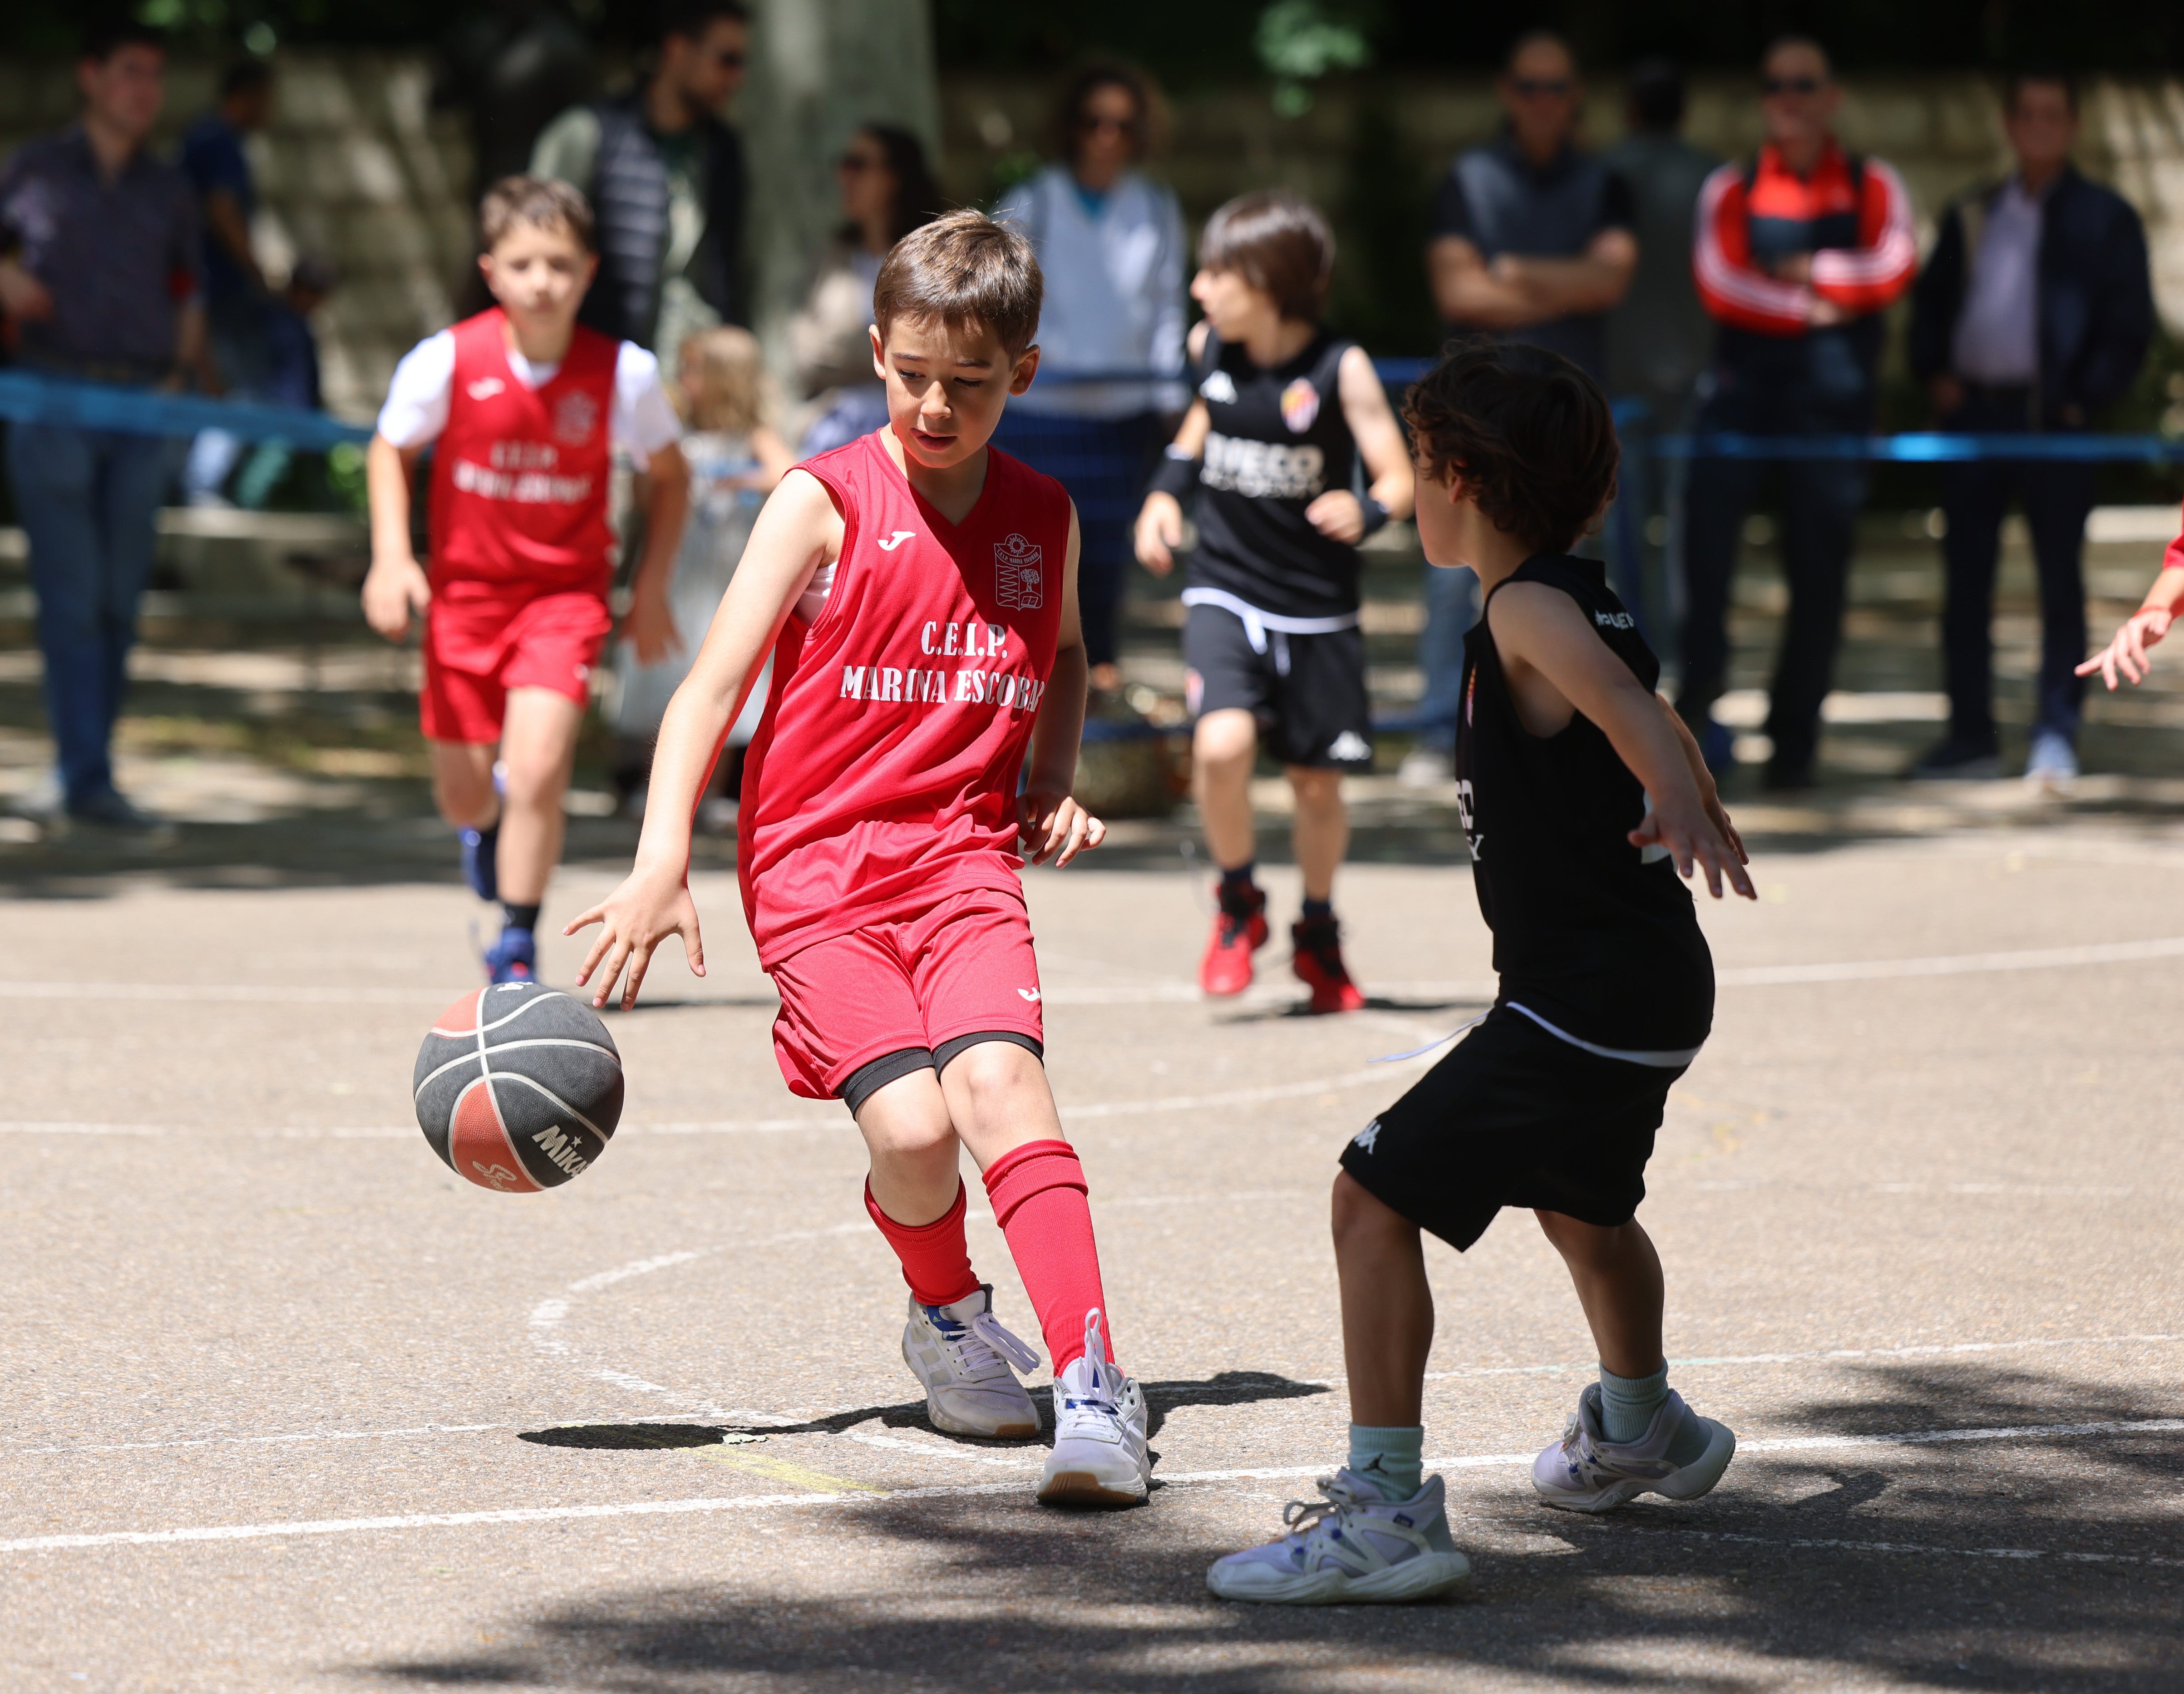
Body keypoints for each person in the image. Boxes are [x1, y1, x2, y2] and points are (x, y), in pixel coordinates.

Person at [568, 212, 1153, 1509]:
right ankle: (944, 1311)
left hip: (959, 859)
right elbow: (706, 689)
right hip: (816, 873)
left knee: (1001, 1090)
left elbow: (1061, 659)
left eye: (973, 383)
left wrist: (1048, 780)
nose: (938, 406)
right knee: (912, 1127)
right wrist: (664, 854)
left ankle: (1097, 1383)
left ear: (1026, 373)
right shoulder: (820, 501)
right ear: (877, 353)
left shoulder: (1041, 516)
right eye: (912, 376)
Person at [1206, 338, 1755, 1607]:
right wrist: (1693, 789)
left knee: (1368, 1198)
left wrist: (1674, 788)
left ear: (1455, 477)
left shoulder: (1523, 607)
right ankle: (1642, 1425)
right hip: (1635, 993)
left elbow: (1623, 703)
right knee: (1586, 1210)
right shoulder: (1581, 593)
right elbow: (1640, 696)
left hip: (1585, 998)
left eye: (1416, 465)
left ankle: (1386, 1508)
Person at [360, 178, 690, 983]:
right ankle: (487, 828)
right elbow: (388, 450)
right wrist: (393, 557)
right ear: (491, 271)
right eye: (522, 263)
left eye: (560, 264)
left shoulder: (624, 373)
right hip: (464, 600)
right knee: (464, 797)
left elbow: (671, 478)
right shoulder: (446, 360)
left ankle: (516, 939)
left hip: (563, 600)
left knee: (541, 767)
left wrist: (650, 587)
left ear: (589, 272)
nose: (541, 280)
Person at [1134, 193, 1415, 1012]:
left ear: (1273, 281)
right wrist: (1165, 494)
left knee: (1315, 784)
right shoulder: (1208, 347)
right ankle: (1237, 901)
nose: (1201, 287)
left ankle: (1318, 930)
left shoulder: (1341, 368)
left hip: (1318, 607)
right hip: (1225, 587)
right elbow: (1201, 423)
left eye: (1219, 272)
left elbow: (1396, 475)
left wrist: (1368, 509)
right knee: (1220, 746)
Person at [1682, 37, 1917, 789]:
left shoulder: (1874, 180)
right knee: (1705, 566)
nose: (1789, 96)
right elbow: (1720, 283)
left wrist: (1806, 272)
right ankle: (1693, 731)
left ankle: (1794, 745)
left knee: (1819, 581)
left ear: (1830, 95)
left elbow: (1895, 264)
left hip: (1832, 407)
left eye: (1803, 83)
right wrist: (1817, 307)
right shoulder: (1730, 185)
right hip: (1740, 401)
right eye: (1775, 84)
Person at [1907, 72, 2152, 786]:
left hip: (2055, 424)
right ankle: (1968, 735)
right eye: (2026, 114)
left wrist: (2085, 398)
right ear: (2009, 125)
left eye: (2053, 114)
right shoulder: (1974, 211)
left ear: (2071, 125)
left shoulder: (2104, 217)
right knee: (1963, 580)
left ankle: (2054, 730)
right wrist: (1934, 374)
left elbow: (2127, 323)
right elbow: (1931, 307)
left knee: (2057, 580)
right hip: (1974, 419)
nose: (2039, 126)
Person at [1406, 30, 1636, 786]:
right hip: (1476, 425)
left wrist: (1509, 272)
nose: (1544, 102)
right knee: (1454, 580)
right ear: (1508, 92)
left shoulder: (1604, 181)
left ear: (1576, 97)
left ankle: (1570, 734)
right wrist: (1559, 283)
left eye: (1558, 87)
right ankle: (1444, 729)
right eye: (1530, 87)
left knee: (1572, 581)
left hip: (1563, 431)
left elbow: (1609, 285)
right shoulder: (1467, 179)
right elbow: (1457, 293)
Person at [0, 18, 212, 829]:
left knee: (121, 600)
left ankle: (91, 769)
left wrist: (175, 381)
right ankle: (80, 775)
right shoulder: (33, 169)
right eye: (130, 72)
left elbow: (189, 288)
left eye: (155, 75)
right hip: (50, 397)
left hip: (140, 409)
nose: (144, 90)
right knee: (73, 595)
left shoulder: (169, 187)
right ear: (91, 77)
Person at [997, 63, 1189, 694]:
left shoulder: (1156, 206)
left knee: (1105, 558)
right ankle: (1022, 677)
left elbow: (1166, 307)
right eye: (1093, 121)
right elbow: (1001, 295)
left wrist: (1170, 399)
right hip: (1042, 408)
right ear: (1072, 127)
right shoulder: (1035, 200)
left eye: (1122, 124)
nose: (1107, 136)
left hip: (1124, 411)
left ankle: (1095, 690)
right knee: (1033, 552)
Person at [608, 323, 794, 813]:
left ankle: (711, 793)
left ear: (723, 378)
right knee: (662, 671)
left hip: (724, 580)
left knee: (724, 677)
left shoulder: (751, 436)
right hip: (673, 576)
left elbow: (787, 472)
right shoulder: (676, 435)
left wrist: (737, 480)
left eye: (693, 369)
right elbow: (646, 497)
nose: (683, 379)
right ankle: (645, 785)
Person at [529, 0, 749, 374]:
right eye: (726, 60)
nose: (736, 77)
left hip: (684, 381)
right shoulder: (586, 136)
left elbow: (725, 269)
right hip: (593, 369)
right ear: (677, 49)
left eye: (741, 63)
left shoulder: (723, 150)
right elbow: (536, 250)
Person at [1603, 58, 1721, 651]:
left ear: (1629, 110)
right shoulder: (1714, 179)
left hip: (1614, 375)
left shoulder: (1602, 173)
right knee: (1680, 527)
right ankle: (1673, 650)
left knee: (1615, 522)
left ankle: (1621, 643)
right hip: (1693, 372)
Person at [788, 123, 946, 459]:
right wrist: (896, 351)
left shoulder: (934, 257)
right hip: (834, 425)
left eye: (857, 165)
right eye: (843, 164)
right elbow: (805, 354)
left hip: (918, 429)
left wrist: (854, 350)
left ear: (894, 177)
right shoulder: (834, 253)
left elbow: (943, 347)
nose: (844, 177)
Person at [179, 57, 275, 507]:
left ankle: (191, 489)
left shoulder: (201, 137)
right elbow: (222, 210)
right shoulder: (220, 142)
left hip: (194, 289)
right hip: (217, 292)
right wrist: (255, 271)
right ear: (249, 95)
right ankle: (202, 489)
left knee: (204, 386)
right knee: (241, 392)